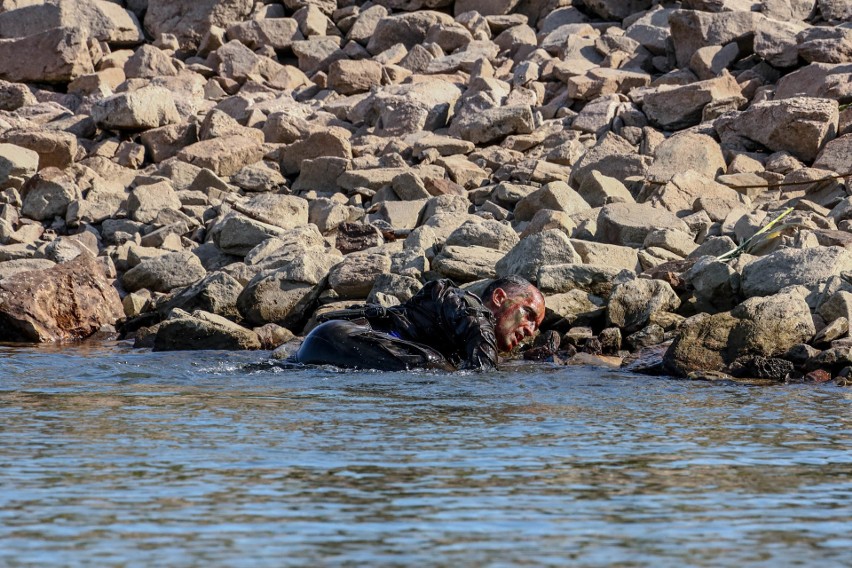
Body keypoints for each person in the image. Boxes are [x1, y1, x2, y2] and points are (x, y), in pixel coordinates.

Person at [294, 275, 546, 371]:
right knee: (438, 367)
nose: (531, 330)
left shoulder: (465, 334)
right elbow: (483, 378)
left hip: (320, 347)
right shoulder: (468, 310)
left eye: (537, 326)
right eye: (529, 316)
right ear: (499, 298)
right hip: (337, 338)